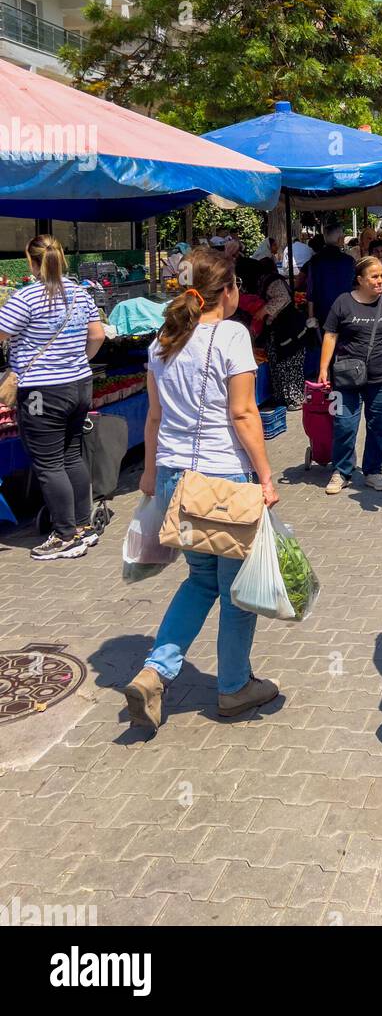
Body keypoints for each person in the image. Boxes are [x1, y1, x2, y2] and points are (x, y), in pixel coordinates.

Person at [125, 247, 281, 730]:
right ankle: (234, 687)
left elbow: (154, 417)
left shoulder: (162, 341)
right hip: (222, 482)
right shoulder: (231, 335)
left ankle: (155, 671)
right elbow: (243, 414)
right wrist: (267, 474)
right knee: (237, 590)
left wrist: (149, 475)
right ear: (228, 290)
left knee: (200, 580)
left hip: (175, 477)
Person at [0, 234, 105, 560]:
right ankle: (84, 527)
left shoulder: (25, 297)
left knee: (48, 463)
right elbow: (98, 334)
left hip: (41, 393)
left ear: (31, 262)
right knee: (72, 455)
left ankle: (65, 535)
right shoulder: (80, 293)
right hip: (79, 386)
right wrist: (77, 362)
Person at [318, 256, 382, 494]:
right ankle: (342, 471)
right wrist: (322, 368)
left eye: (381, 276)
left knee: (378, 425)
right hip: (345, 379)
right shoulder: (343, 303)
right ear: (359, 279)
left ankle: (373, 471)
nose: (380, 280)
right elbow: (330, 335)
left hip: (381, 378)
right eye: (374, 276)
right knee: (344, 425)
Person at [249, 259, 307, 408]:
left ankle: (293, 398)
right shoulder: (266, 280)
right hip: (279, 330)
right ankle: (282, 396)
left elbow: (283, 298)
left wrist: (264, 311)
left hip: (287, 329)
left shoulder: (271, 281)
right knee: (279, 362)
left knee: (288, 363)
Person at [306, 222, 356, 329]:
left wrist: (311, 317)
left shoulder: (315, 260)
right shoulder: (349, 261)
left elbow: (310, 290)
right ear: (340, 240)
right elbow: (355, 286)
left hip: (323, 313)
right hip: (346, 312)